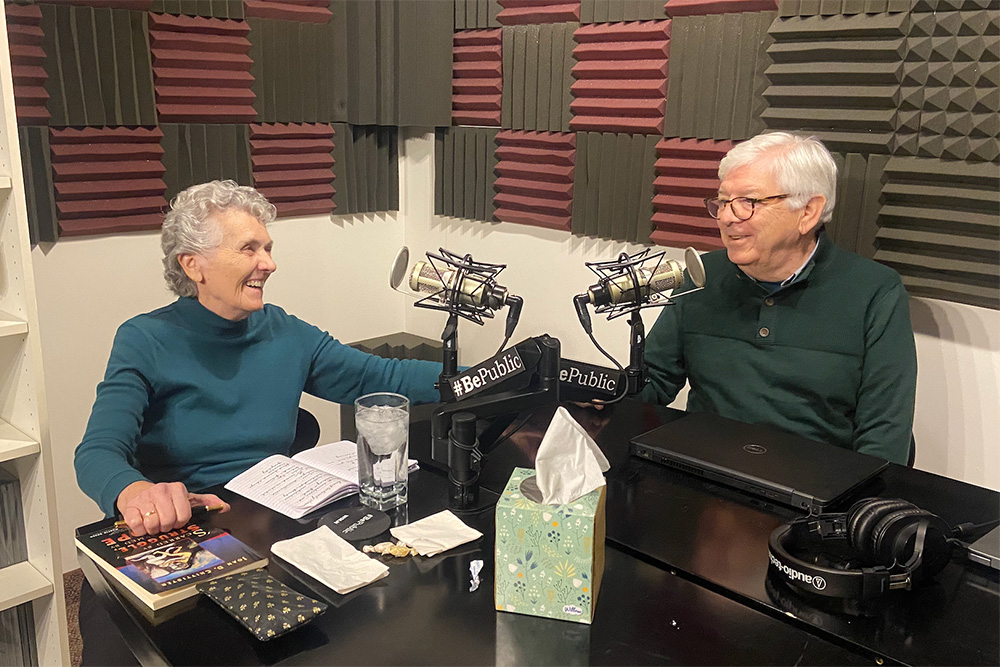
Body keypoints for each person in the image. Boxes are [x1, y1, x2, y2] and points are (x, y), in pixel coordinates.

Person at [75, 180, 441, 536]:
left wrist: (491, 375)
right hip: (191, 525)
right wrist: (134, 491)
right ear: (192, 265)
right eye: (249, 249)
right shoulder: (144, 339)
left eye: (267, 249)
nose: (269, 264)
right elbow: (97, 452)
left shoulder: (286, 332)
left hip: (271, 519)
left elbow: (387, 378)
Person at [640, 132, 917, 465]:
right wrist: (598, 391)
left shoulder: (874, 291)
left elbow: (884, 438)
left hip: (814, 495)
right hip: (705, 475)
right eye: (723, 201)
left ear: (808, 212)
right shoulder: (701, 275)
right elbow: (653, 383)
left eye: (748, 202)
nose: (727, 217)